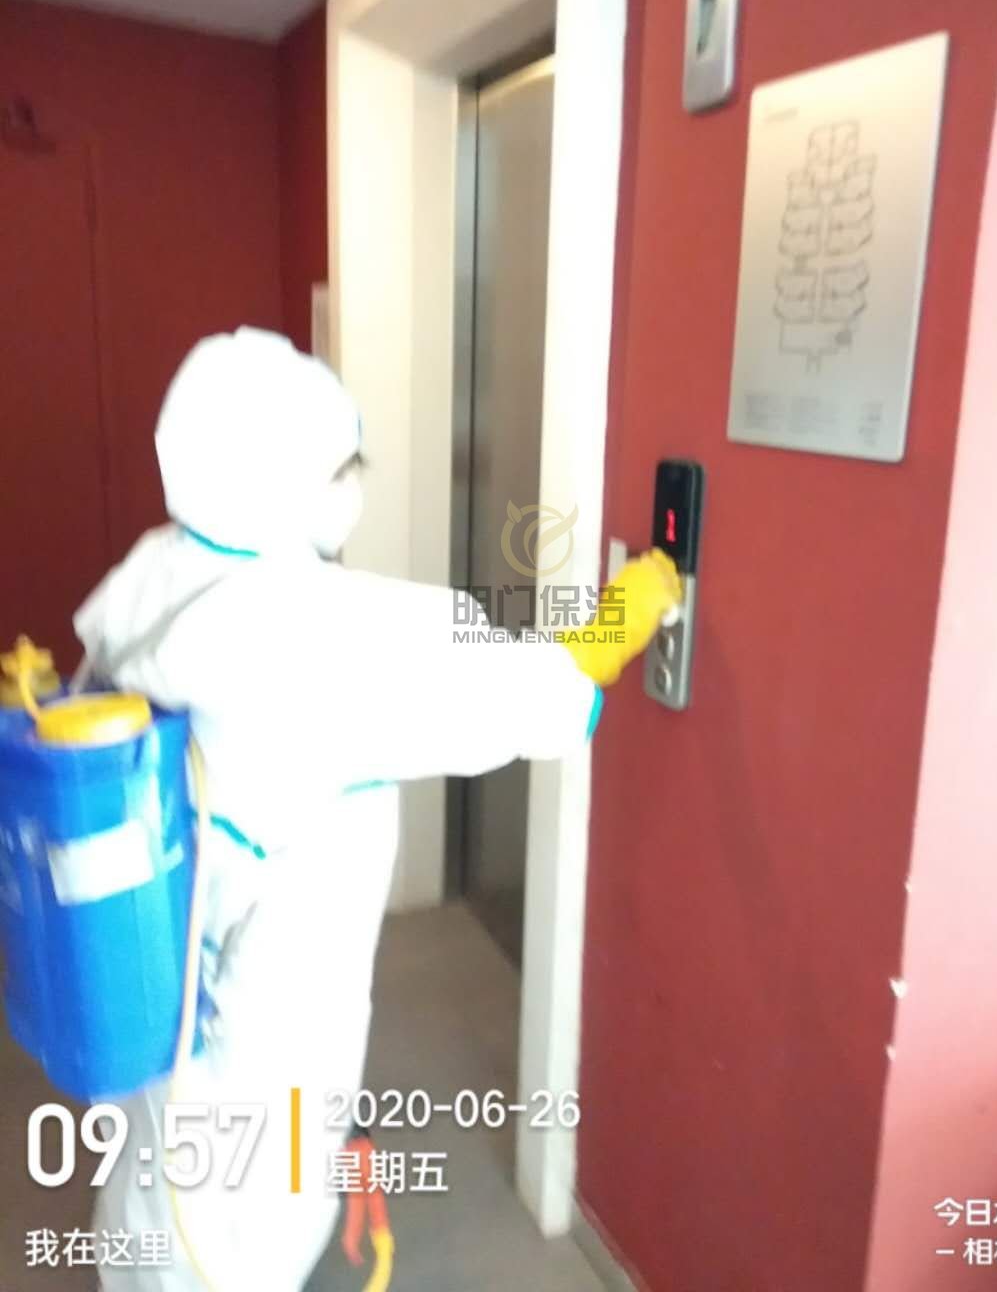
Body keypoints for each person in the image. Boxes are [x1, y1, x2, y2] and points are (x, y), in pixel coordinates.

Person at [77, 327, 680, 1290]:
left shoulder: (154, 573)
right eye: (341, 468)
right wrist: (633, 606)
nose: (353, 486)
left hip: (156, 981)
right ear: (284, 478)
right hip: (266, 1020)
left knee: (160, 1189)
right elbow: (535, 692)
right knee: (240, 1231)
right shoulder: (322, 630)